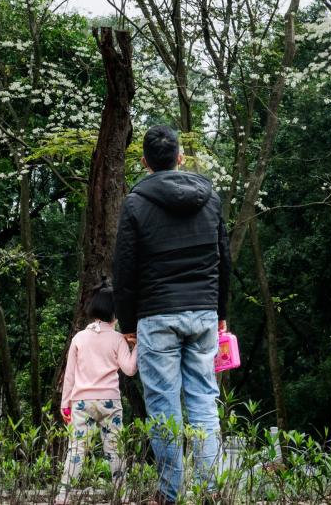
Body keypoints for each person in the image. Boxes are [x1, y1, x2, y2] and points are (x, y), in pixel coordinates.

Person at [112, 124, 231, 505]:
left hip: (156, 315)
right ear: (180, 157)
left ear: (145, 161)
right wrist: (221, 311)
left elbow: (125, 269)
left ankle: (169, 495)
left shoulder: (135, 203)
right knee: (203, 402)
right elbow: (223, 258)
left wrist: (128, 324)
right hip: (203, 312)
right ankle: (212, 492)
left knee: (163, 405)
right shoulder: (210, 198)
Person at [55, 286, 138, 503]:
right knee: (115, 449)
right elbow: (129, 369)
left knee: (77, 449)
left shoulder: (79, 338)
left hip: (81, 402)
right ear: (114, 312)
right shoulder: (118, 338)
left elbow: (70, 375)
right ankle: (122, 495)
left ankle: (63, 496)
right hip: (110, 402)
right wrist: (136, 347)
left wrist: (66, 404)